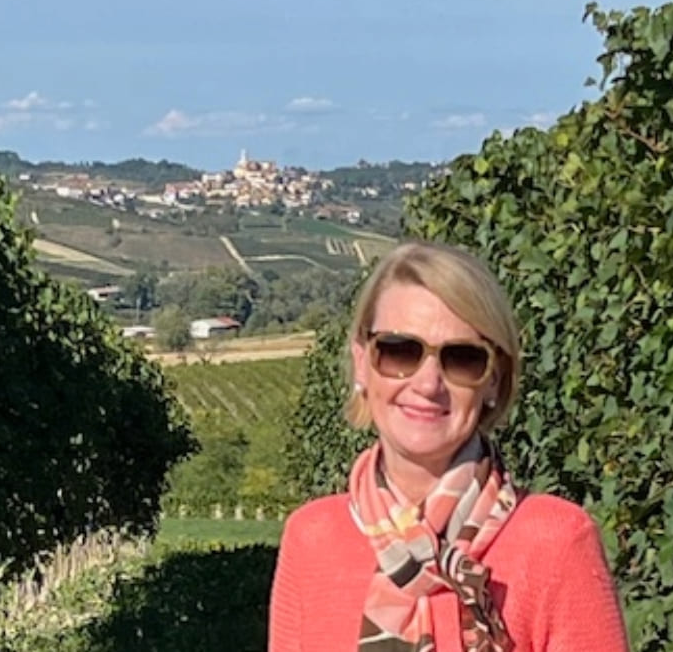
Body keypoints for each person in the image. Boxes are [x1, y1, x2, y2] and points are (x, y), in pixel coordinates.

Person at [269, 241, 628, 651]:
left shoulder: (558, 542)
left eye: (461, 358)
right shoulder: (312, 540)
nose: (427, 384)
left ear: (494, 380)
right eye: (400, 351)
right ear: (362, 362)